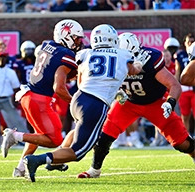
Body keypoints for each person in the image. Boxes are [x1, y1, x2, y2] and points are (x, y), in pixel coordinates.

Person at [22, 25, 149, 182]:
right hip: (95, 104)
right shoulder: (123, 55)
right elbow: (134, 70)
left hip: (79, 99)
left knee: (77, 132)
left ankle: (56, 160)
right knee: (78, 153)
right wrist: (139, 61)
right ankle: (37, 160)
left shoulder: (85, 53)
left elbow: (81, 80)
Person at [76, 32, 195, 179]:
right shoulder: (115, 59)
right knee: (104, 137)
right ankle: (94, 170)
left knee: (182, 143)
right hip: (128, 102)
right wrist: (117, 91)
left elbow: (174, 85)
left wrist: (170, 102)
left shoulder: (150, 58)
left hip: (155, 102)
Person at [0, 19, 85, 178]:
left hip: (28, 95)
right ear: (66, 35)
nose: (79, 42)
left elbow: (51, 72)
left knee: (39, 135)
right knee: (54, 140)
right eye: (76, 38)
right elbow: (58, 88)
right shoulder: (66, 54)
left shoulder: (48, 45)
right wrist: (76, 102)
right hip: (39, 99)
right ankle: (15, 136)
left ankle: (20, 169)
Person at [174, 33, 195, 137]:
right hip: (184, 89)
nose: (190, 43)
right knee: (185, 115)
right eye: (189, 41)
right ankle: (186, 136)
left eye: (192, 41)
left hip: (194, 89)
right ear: (185, 43)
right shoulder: (180, 55)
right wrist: (174, 85)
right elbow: (178, 72)